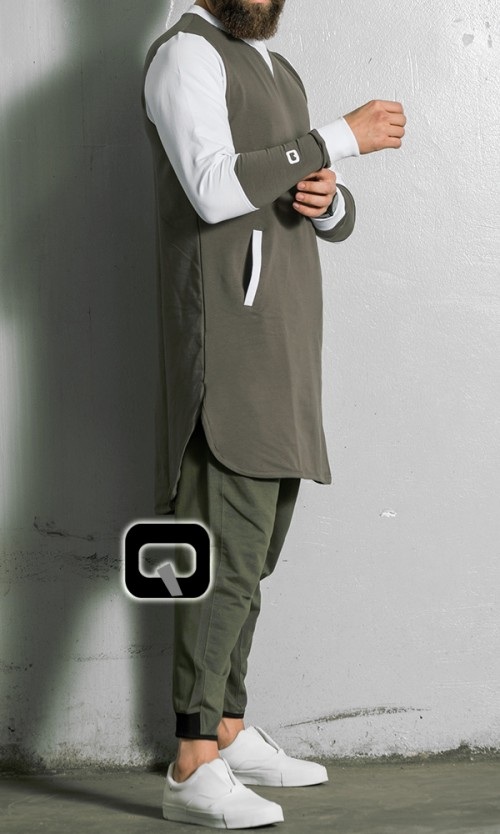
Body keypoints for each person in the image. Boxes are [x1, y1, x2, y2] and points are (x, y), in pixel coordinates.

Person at [142, 0, 406, 827]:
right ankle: (191, 761)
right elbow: (213, 189)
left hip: (283, 341)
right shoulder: (184, 55)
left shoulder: (275, 69)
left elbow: (316, 203)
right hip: (228, 342)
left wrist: (329, 200)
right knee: (221, 551)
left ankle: (226, 726)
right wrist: (337, 137)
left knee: (254, 552)